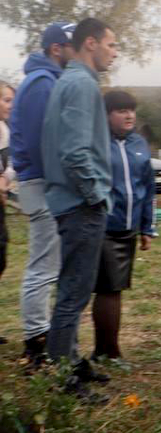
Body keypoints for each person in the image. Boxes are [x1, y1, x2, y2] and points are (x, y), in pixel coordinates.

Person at [41, 18, 118, 388]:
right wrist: (95, 195)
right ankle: (62, 380)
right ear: (91, 43)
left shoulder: (69, 81)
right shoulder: (82, 85)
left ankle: (70, 360)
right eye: (111, 45)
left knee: (74, 288)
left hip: (71, 202)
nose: (114, 53)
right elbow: (74, 153)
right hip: (79, 205)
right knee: (73, 293)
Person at [9, 22, 75, 364]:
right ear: (56, 48)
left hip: (43, 182)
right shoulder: (41, 83)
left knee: (49, 263)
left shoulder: (46, 80)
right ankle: (36, 341)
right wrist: (59, 181)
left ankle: (41, 334)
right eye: (71, 46)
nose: (75, 52)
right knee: (43, 266)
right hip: (42, 183)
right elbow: (38, 142)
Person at [93, 90, 156, 368]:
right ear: (106, 115)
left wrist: (147, 227)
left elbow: (148, 187)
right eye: (121, 110)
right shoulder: (97, 144)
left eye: (131, 110)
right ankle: (109, 351)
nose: (129, 115)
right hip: (105, 226)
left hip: (130, 228)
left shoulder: (139, 143)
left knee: (114, 288)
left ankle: (103, 350)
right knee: (110, 289)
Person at [0, 81, 16, 345]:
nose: (10, 106)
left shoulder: (6, 130)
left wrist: (5, 179)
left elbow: (12, 163)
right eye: (6, 100)